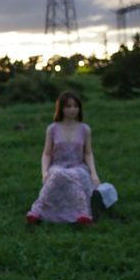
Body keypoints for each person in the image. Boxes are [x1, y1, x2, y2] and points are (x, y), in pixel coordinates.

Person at [26, 90, 100, 225]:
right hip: (58, 166)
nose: (73, 110)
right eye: (68, 106)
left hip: (78, 166)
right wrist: (44, 172)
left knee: (78, 175)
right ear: (61, 108)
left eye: (75, 106)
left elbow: (88, 153)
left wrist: (94, 174)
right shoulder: (52, 129)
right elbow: (47, 153)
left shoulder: (85, 129)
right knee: (57, 175)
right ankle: (38, 211)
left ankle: (83, 214)